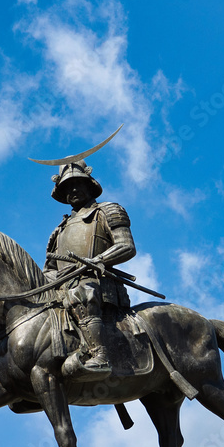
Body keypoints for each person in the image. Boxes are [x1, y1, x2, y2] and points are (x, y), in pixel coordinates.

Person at [44, 159, 135, 380]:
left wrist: (96, 260)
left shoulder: (107, 211)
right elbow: (49, 269)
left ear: (90, 184)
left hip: (98, 285)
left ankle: (100, 355)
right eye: (67, 187)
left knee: (81, 292)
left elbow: (126, 246)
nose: (73, 190)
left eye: (77, 183)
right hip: (64, 288)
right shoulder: (59, 230)